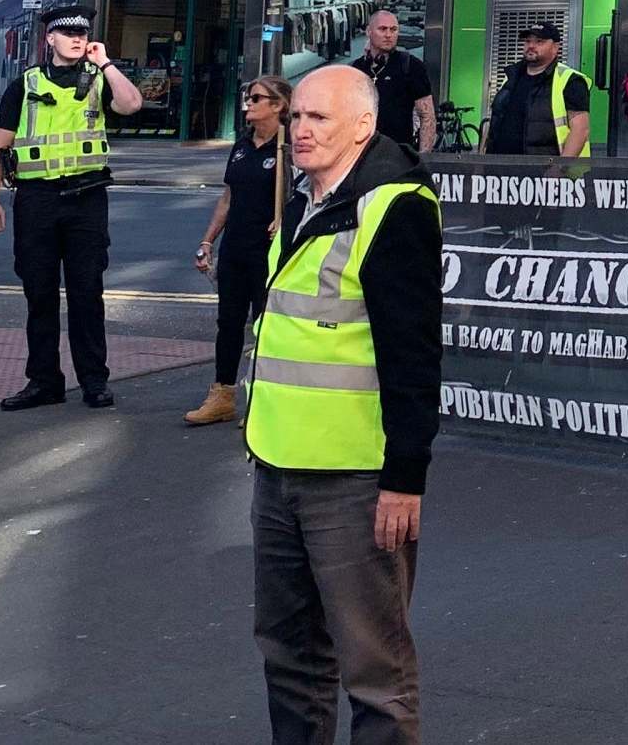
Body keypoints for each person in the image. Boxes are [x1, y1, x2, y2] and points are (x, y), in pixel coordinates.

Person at [247, 65, 442, 745]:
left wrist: (403, 479)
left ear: (363, 125)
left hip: (354, 482)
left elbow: (413, 356)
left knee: (374, 673)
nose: (299, 129)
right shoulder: (309, 197)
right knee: (289, 655)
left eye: (317, 119)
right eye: (296, 116)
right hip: (277, 465)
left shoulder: (393, 207)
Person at [0, 5, 143, 411]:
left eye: (82, 32)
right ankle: (43, 382)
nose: (76, 38)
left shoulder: (97, 80)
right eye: (67, 32)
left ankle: (94, 381)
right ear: (49, 39)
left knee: (87, 294)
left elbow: (132, 104)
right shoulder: (26, 83)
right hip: (36, 199)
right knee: (39, 295)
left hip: (86, 198)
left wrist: (105, 61)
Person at [183, 75, 289, 427]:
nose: (249, 103)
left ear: (278, 106)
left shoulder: (289, 149)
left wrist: (285, 220)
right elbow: (228, 197)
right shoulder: (242, 146)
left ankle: (263, 396)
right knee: (228, 323)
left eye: (257, 98)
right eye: (248, 97)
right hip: (236, 248)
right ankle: (222, 395)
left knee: (266, 325)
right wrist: (207, 240)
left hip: (268, 250)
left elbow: (308, 196)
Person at [487, 22, 592, 157]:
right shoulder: (511, 77)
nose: (531, 46)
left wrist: (560, 169)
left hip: (545, 172)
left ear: (555, 47)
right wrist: (480, 164)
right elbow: (494, 122)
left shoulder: (570, 81)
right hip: (500, 170)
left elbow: (580, 130)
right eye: (528, 41)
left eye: (539, 42)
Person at [351, 12, 435, 155]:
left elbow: (427, 115)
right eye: (382, 29)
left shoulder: (411, 66)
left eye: (393, 29)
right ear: (369, 31)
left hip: (398, 154)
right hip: (360, 155)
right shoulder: (356, 69)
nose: (388, 35)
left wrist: (423, 158)